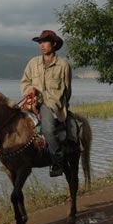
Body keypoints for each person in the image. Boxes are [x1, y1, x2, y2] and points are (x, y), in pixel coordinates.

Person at [20, 30, 72, 177]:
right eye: (40, 43)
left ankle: (57, 161)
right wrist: (30, 92)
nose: (41, 45)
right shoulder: (33, 63)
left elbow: (67, 91)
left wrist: (59, 106)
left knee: (48, 130)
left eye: (45, 42)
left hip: (51, 105)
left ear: (54, 44)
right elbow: (25, 82)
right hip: (32, 102)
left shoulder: (63, 65)